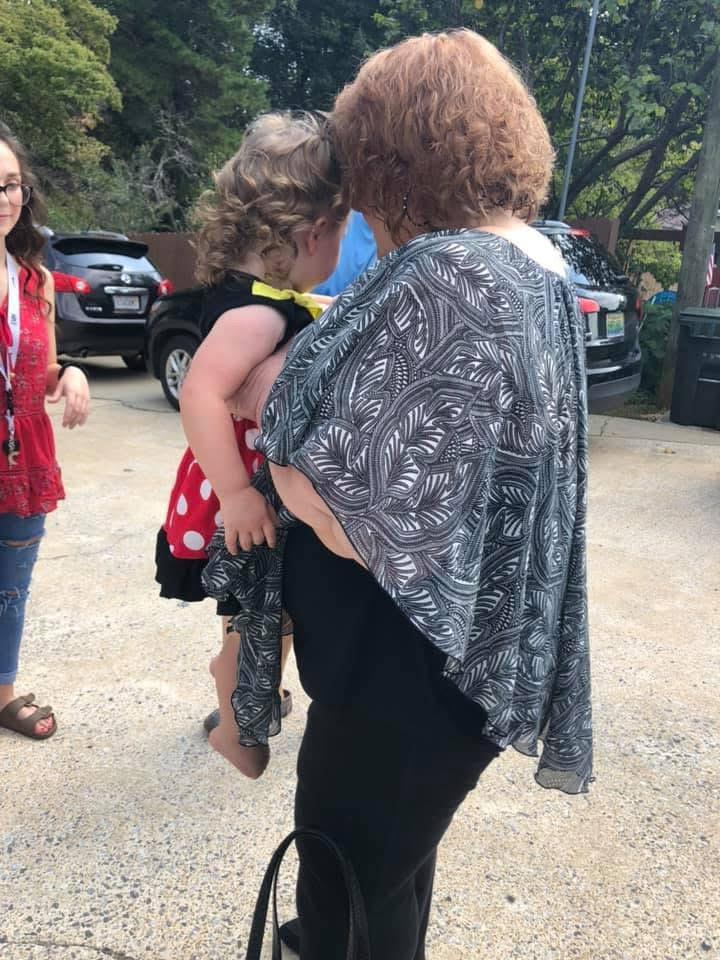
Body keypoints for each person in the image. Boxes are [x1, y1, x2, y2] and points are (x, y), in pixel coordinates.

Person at [205, 30, 593, 958]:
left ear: (391, 155)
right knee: (389, 879)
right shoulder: (528, 263)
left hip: (398, 678)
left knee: (346, 880)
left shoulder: (452, 275)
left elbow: (362, 516)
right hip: (434, 675)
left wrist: (280, 439)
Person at [155, 111, 348, 779]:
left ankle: (244, 682)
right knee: (266, 609)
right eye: (343, 233)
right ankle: (236, 722)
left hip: (246, 489)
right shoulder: (258, 314)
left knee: (259, 604)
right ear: (313, 233)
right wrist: (237, 493)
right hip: (241, 493)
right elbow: (200, 394)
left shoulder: (254, 300)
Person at [0, 124, 90, 741]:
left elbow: (45, 368)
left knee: (11, 588)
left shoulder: (36, 280)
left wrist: (74, 374)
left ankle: (3, 694)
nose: (6, 199)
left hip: (23, 455)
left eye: (12, 185)